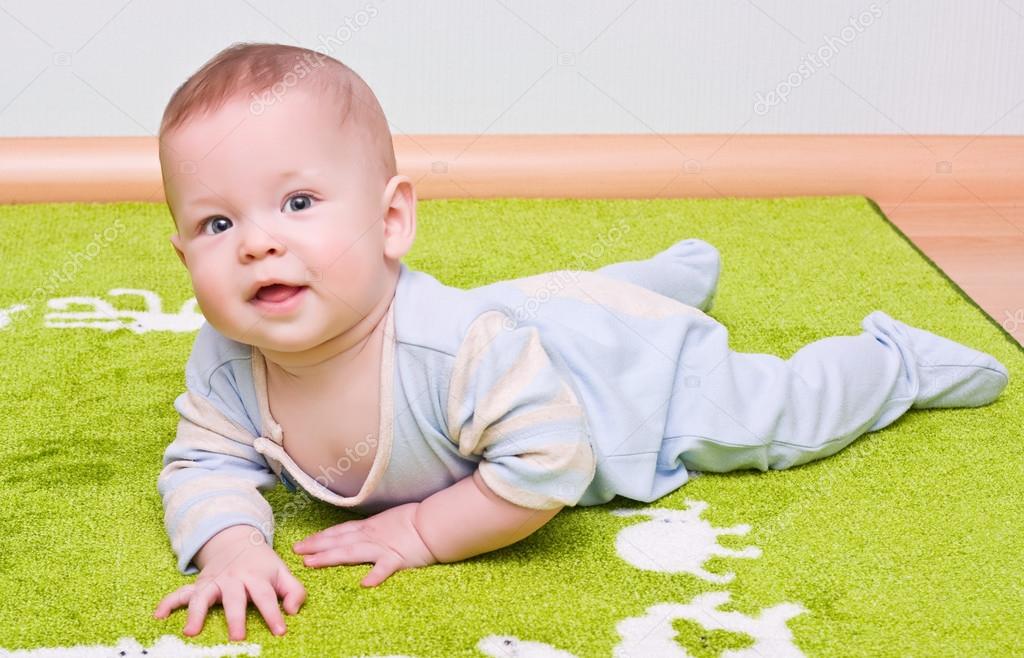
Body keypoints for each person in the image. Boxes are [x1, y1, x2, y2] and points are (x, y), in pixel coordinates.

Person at [152, 42, 1010, 642]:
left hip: (627, 387)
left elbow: (548, 463)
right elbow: (204, 463)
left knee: (769, 420)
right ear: (185, 252)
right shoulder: (226, 363)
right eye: (218, 221)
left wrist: (424, 531)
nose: (258, 242)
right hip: (541, 320)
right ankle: (656, 275)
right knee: (557, 304)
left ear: (390, 219)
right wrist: (231, 543)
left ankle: (891, 360)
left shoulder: (461, 350)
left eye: (299, 203)